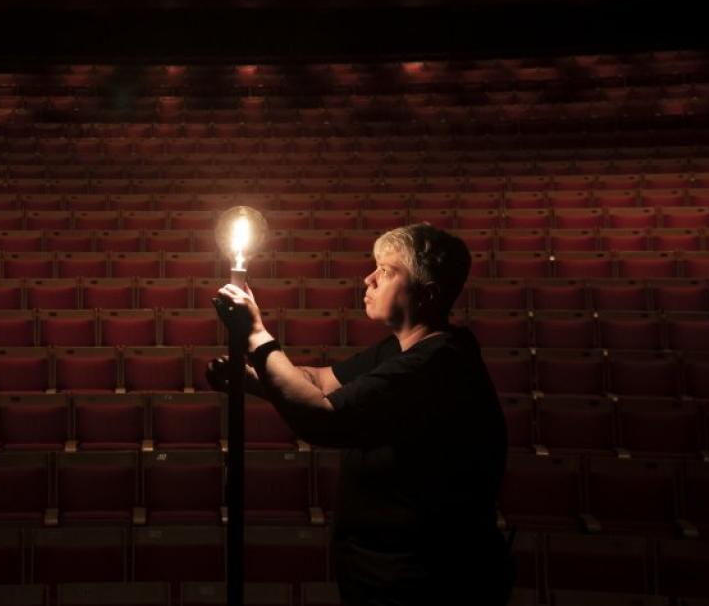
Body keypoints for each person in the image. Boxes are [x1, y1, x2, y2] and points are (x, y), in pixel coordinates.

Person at [207, 223, 513, 606]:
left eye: (386, 271)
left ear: (428, 293)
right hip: (382, 573)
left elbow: (323, 417)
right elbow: (320, 382)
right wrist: (252, 380)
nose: (368, 279)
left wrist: (256, 335)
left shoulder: (436, 365)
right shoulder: (404, 349)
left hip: (427, 583)